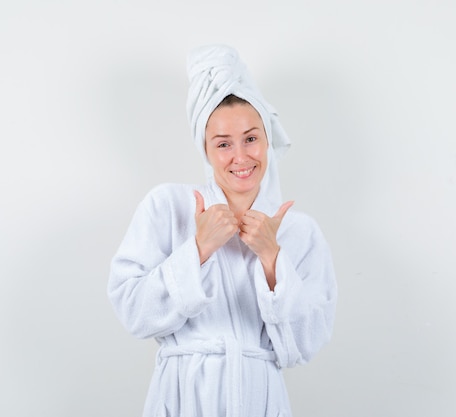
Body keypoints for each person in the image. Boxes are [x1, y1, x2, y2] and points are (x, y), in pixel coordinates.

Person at [108, 45, 337, 417]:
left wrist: (271, 258)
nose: (241, 157)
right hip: (182, 397)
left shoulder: (299, 232)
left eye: (251, 138)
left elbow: (305, 344)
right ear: (206, 150)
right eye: (223, 144)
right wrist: (197, 249)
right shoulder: (167, 207)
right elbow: (133, 311)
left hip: (260, 401)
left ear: (267, 139)